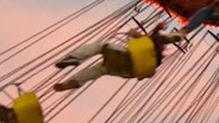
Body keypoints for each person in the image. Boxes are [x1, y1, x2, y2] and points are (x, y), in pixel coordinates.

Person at [52, 22, 183, 91]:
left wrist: (134, 33)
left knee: (101, 46)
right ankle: (75, 81)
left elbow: (151, 38)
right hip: (127, 72)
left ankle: (73, 57)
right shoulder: (156, 60)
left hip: (125, 57)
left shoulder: (150, 45)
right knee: (100, 70)